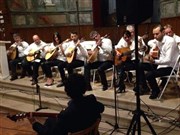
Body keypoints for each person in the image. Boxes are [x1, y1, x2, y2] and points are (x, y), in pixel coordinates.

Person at [28, 73, 104, 135]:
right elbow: (101, 108)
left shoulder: (66, 114)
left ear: (67, 92)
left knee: (48, 125)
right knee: (50, 121)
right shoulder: (91, 100)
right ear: (84, 87)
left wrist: (34, 123)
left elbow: (51, 133)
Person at [141, 24, 179, 99]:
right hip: (161, 64)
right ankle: (144, 86)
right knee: (140, 65)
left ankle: (156, 90)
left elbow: (168, 60)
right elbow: (150, 43)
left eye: (157, 34)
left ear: (163, 32)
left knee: (149, 75)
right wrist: (149, 55)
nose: (155, 36)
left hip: (171, 67)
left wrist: (154, 61)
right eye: (154, 34)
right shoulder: (158, 40)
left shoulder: (170, 41)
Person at [115, 27, 148, 94]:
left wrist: (138, 50)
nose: (131, 34)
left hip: (136, 61)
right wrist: (118, 53)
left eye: (132, 32)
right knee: (119, 65)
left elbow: (144, 50)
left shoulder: (138, 39)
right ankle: (121, 86)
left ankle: (143, 87)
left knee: (139, 66)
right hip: (128, 61)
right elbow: (116, 48)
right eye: (129, 32)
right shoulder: (123, 39)